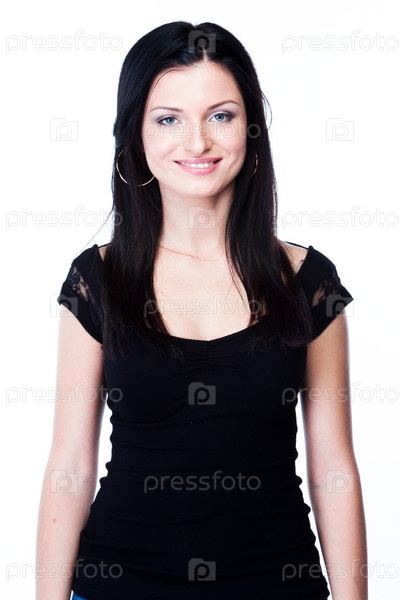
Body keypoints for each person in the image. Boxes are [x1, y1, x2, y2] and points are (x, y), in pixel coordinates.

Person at [36, 21, 368, 600]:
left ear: (251, 129)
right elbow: (69, 465)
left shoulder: (309, 281)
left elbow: (333, 469)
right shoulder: (97, 279)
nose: (197, 143)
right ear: (136, 134)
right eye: (169, 119)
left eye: (221, 116)